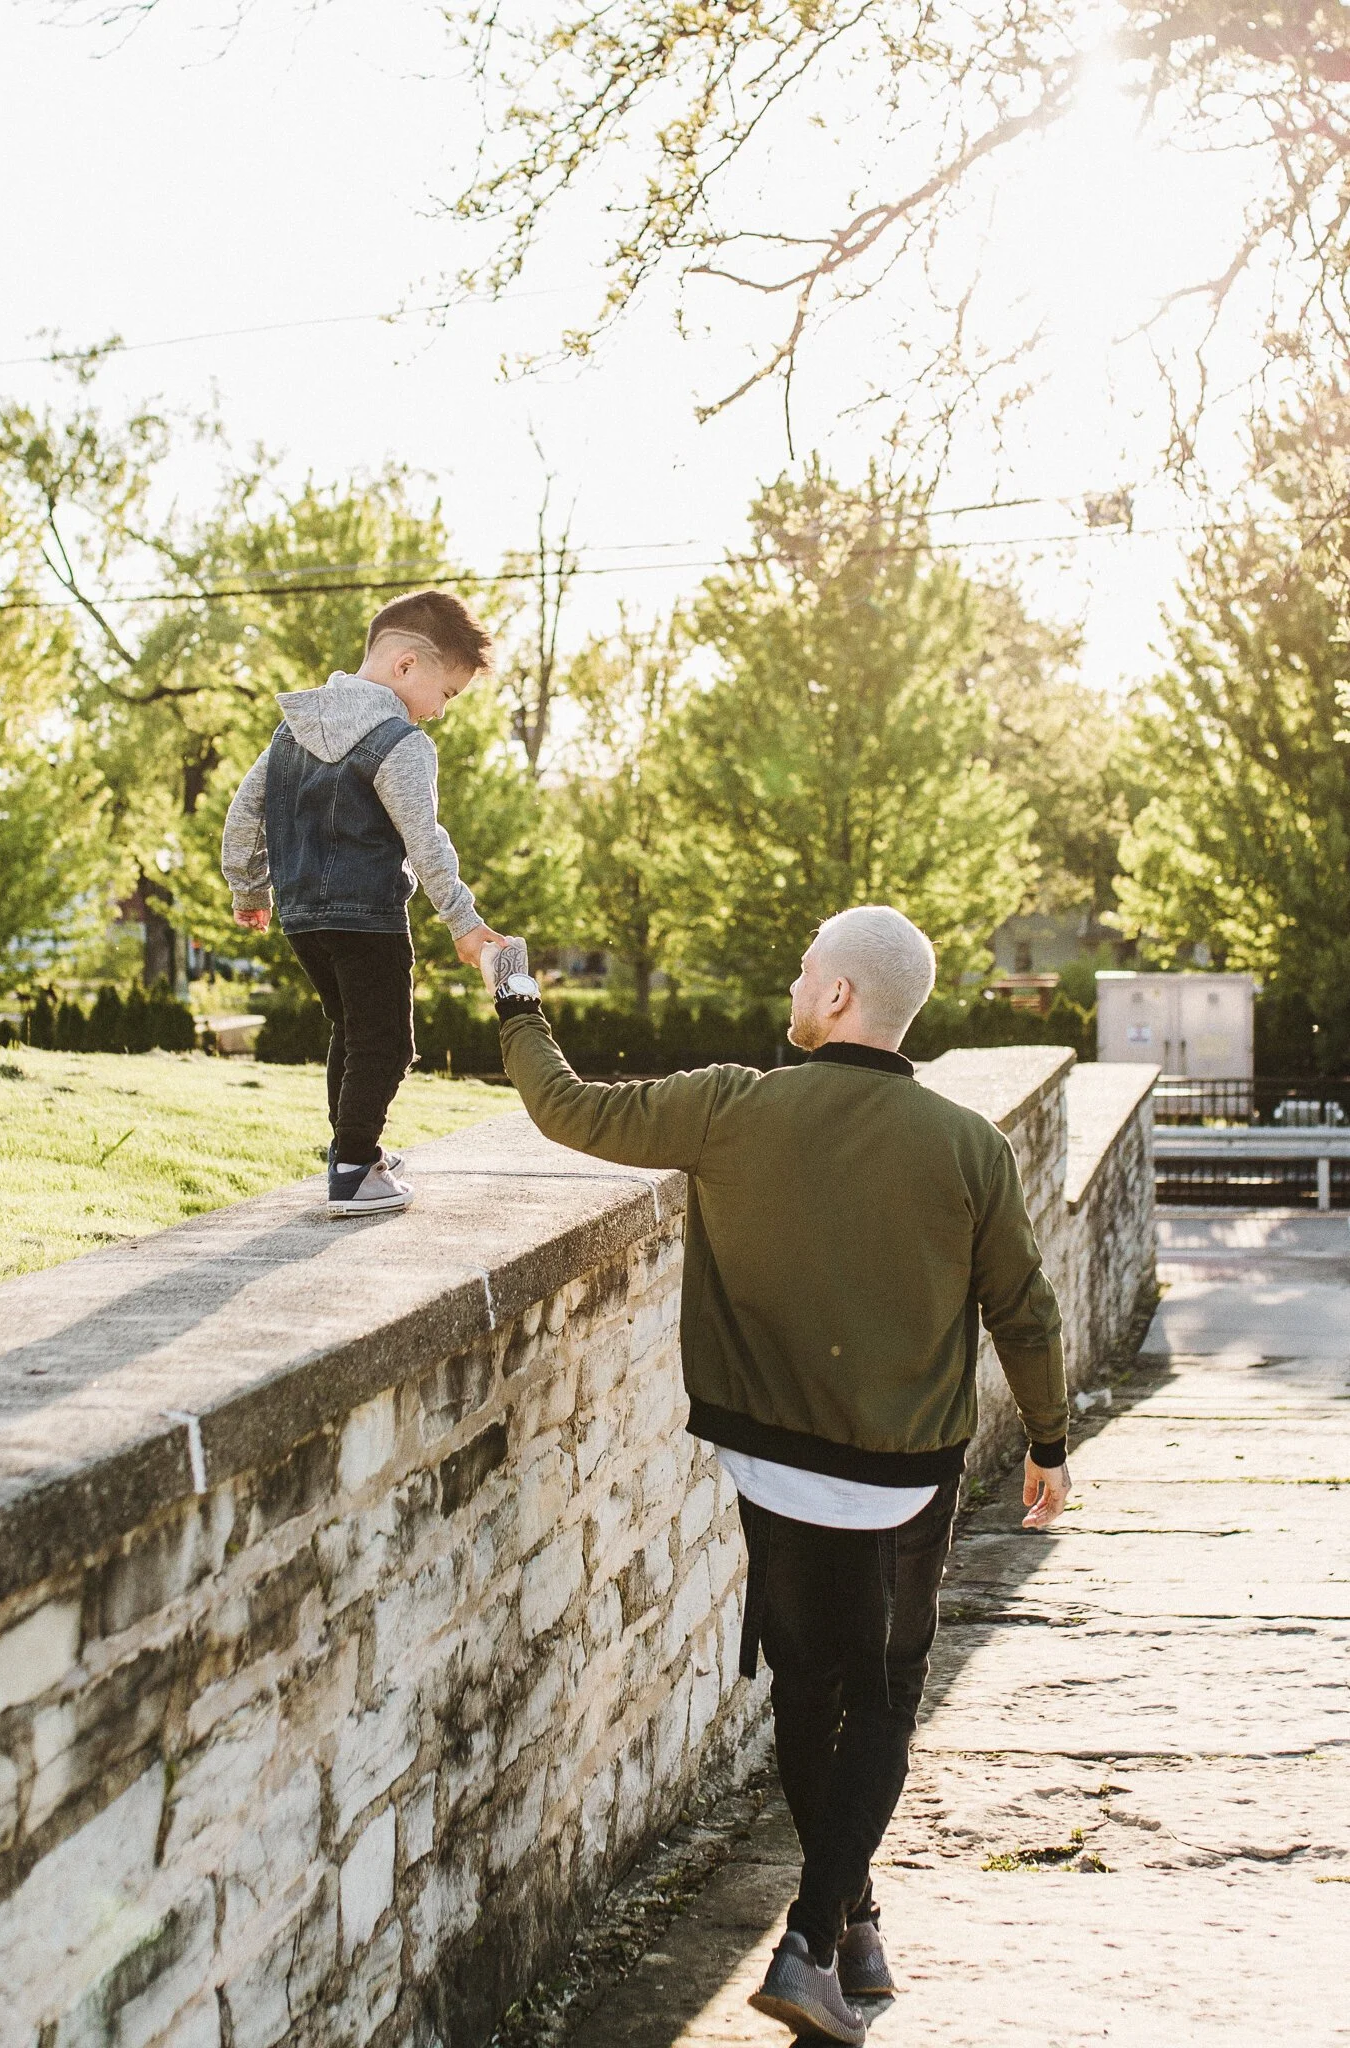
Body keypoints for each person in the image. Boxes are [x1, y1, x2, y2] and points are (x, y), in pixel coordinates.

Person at [481, 910, 1070, 2046]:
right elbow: (1023, 1308)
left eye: (806, 968)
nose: (792, 983)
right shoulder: (964, 1144)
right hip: (902, 1475)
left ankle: (847, 1925)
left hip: (773, 1460)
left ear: (840, 997)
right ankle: (815, 1932)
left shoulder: (728, 1105)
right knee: (885, 1695)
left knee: (804, 1687)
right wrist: (1045, 1438)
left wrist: (515, 998)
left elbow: (567, 1108)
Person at [221, 589, 506, 1217]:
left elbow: (244, 812)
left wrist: (249, 885)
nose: (438, 711)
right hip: (368, 918)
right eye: (448, 693)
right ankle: (353, 1169)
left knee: (350, 1033)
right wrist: (463, 920)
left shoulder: (293, 729)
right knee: (388, 1042)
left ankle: (355, 1151)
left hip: (301, 918)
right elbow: (424, 839)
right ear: (407, 666)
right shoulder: (400, 742)